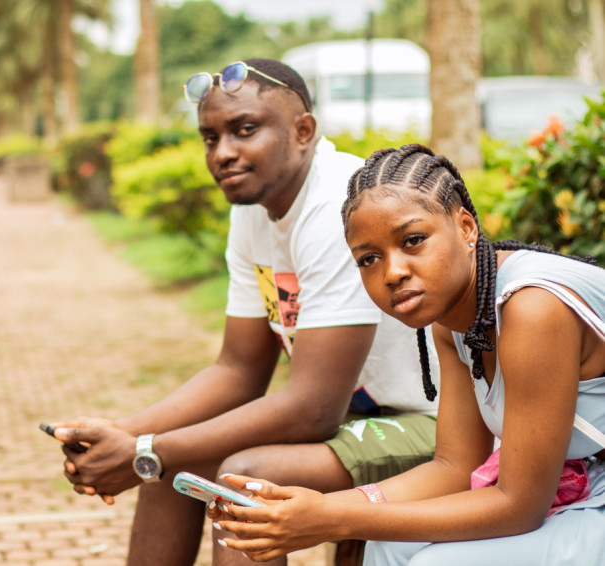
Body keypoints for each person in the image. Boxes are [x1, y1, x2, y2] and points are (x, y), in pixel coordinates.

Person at [49, 60, 439, 566]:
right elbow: (237, 370)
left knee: (242, 475)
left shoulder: (339, 204)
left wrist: (147, 450)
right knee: (172, 464)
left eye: (245, 130)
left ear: (303, 130)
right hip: (360, 413)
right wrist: (127, 437)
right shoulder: (253, 211)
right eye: (210, 137)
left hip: (435, 419)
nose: (224, 153)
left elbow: (311, 408)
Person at [208, 144, 605, 565]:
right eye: (369, 259)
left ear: (466, 227)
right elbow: (454, 466)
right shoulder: (452, 323)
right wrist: (308, 508)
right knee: (387, 546)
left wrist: (335, 518)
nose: (392, 272)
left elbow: (518, 506)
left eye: (412, 240)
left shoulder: (532, 308)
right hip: (585, 488)